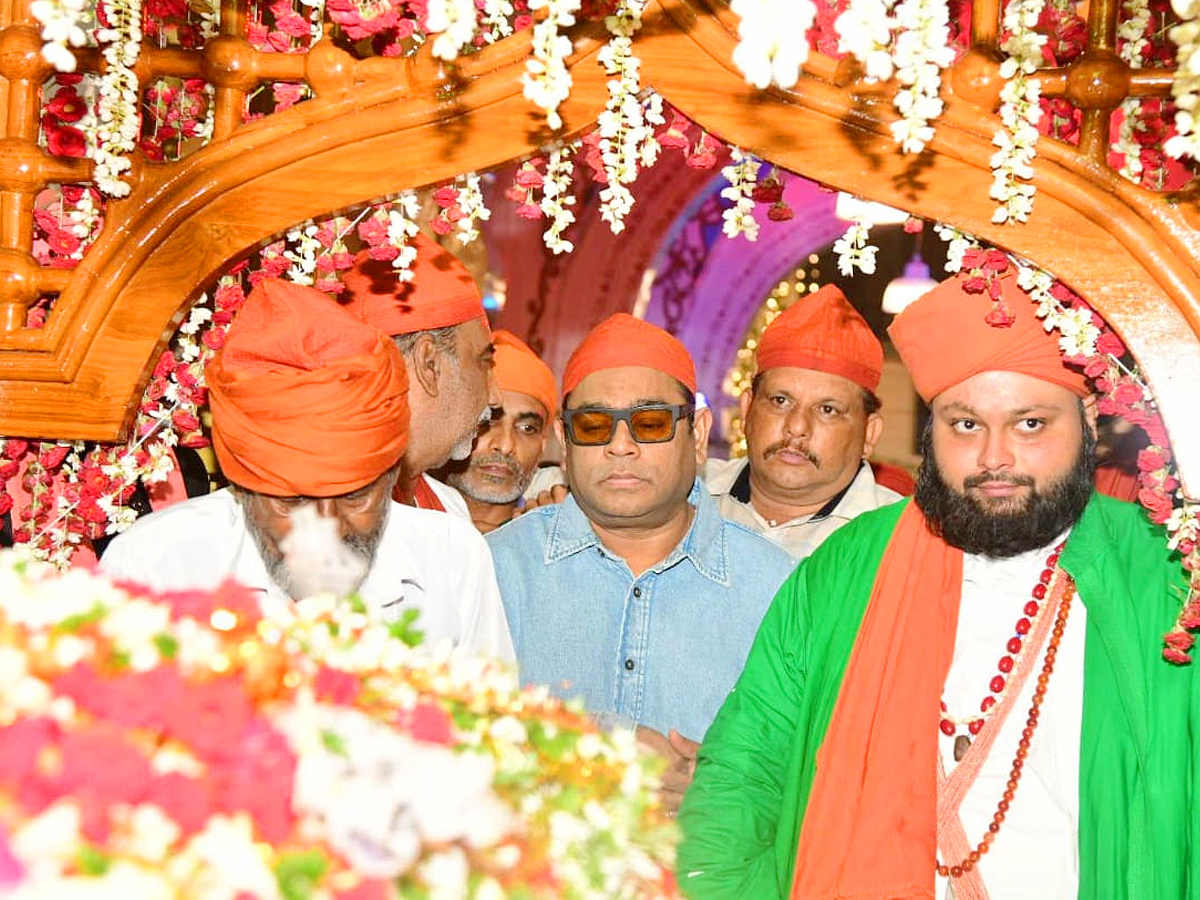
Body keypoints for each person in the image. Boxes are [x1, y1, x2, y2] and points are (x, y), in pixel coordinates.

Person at [677, 272, 1197, 900]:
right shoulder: (848, 565)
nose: (994, 458)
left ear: (1087, 419)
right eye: (965, 425)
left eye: (1030, 424)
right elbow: (745, 769)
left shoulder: (1169, 573)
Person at [101, 277, 514, 662]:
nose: (327, 527)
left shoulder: (452, 559)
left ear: (391, 474)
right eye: (294, 500)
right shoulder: (156, 564)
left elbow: (494, 730)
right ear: (244, 489)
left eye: (355, 495)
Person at [487, 313, 794, 812]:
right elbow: (442, 739)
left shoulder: (776, 588)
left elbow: (809, 770)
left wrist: (727, 794)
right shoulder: (496, 571)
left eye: (650, 423)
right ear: (564, 443)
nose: (620, 445)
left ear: (697, 434)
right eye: (593, 425)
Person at [706, 285, 904, 560]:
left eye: (827, 409)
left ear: (869, 434)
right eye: (780, 401)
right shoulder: (685, 500)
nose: (797, 427)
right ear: (747, 408)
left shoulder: (898, 540)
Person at [338, 234, 502, 516]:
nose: (496, 397)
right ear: (430, 364)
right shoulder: (318, 509)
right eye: (482, 362)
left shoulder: (450, 508)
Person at [440, 331, 558, 534]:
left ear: (542, 448)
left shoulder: (546, 536)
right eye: (488, 421)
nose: (505, 445)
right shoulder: (400, 517)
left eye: (527, 428)